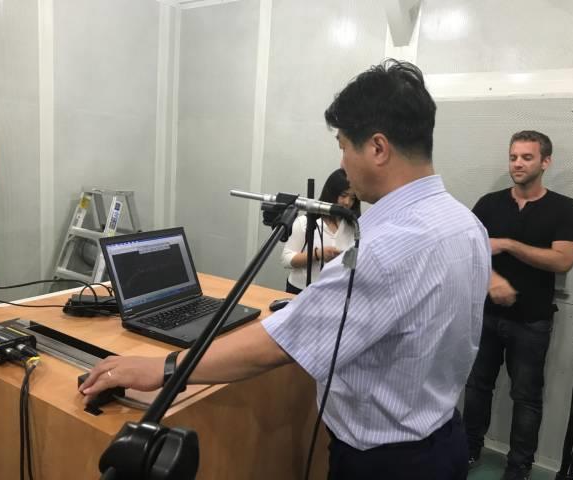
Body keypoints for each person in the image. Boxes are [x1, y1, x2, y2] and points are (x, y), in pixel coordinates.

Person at [79, 59, 491, 480]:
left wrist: (163, 369)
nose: (343, 163)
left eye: (344, 147)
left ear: (378, 148)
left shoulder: (385, 248)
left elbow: (276, 346)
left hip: (386, 465)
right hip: (443, 439)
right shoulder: (466, 225)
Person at [463, 130, 573, 480]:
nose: (517, 163)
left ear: (545, 162)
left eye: (527, 157)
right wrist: (491, 280)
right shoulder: (489, 204)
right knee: (477, 387)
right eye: (513, 157)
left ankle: (519, 467)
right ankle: (467, 450)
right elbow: (468, 250)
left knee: (526, 397)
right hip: (486, 314)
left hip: (531, 321)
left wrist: (509, 245)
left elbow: (563, 260)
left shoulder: (565, 208)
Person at [282, 168, 360, 294]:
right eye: (343, 195)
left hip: (335, 293)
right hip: (300, 291)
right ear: (331, 193)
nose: (347, 202)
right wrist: (318, 254)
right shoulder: (305, 223)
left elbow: (351, 265)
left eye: (353, 198)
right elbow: (286, 260)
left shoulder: (353, 226)